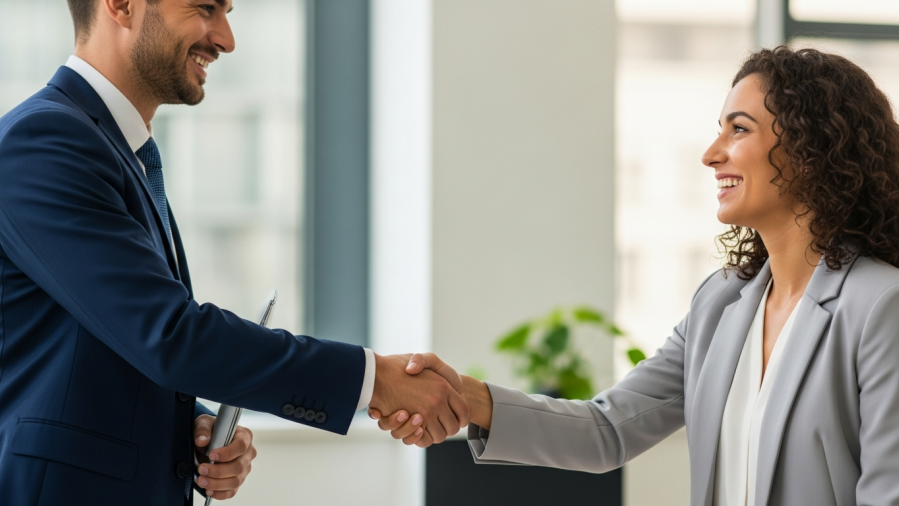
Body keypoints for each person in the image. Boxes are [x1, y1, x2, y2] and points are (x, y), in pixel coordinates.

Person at [373, 46, 899, 506]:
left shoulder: (879, 306)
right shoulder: (720, 305)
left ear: (812, 148)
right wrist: (467, 397)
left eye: (738, 129)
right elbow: (607, 430)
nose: (711, 154)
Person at [0, 1, 468, 504]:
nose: (226, 38)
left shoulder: (114, 147)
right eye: (205, 8)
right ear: (121, 5)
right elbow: (170, 335)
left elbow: (107, 341)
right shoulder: (45, 141)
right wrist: (372, 380)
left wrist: (194, 422)